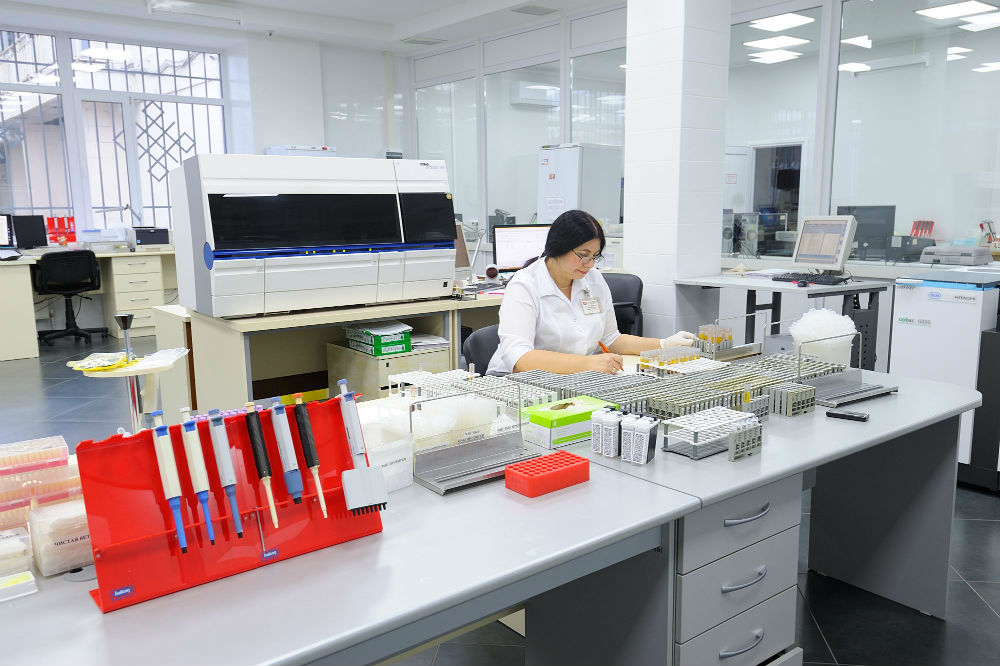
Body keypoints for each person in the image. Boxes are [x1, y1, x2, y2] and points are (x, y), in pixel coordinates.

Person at [486, 209, 697, 375]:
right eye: (583, 255)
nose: (589, 264)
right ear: (558, 247)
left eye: (595, 256)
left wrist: (663, 345)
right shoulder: (525, 286)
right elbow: (520, 358)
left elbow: (611, 339)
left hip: (575, 377)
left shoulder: (593, 279)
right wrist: (588, 364)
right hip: (519, 382)